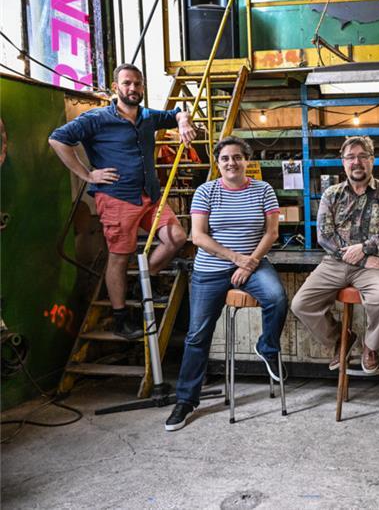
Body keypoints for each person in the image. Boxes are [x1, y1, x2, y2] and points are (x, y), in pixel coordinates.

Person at [49, 63, 194, 340]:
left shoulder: (148, 117)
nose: (133, 88)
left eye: (138, 84)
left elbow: (178, 113)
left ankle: (144, 280)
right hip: (116, 197)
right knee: (119, 257)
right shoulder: (96, 118)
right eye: (127, 83)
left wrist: (184, 121)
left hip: (149, 196)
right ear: (116, 87)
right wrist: (87, 174)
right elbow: (57, 140)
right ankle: (119, 318)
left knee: (176, 236)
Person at [165, 136, 288, 431]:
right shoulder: (206, 192)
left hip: (253, 265)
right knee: (197, 336)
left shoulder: (263, 190)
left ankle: (267, 346)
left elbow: (271, 233)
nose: (231, 163)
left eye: (237, 157)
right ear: (218, 163)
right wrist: (236, 258)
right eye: (225, 158)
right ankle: (186, 400)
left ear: (247, 160)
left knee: (277, 297)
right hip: (211, 269)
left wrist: (251, 262)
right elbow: (198, 236)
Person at [291, 136, 379, 374]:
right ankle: (341, 340)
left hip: (375, 265)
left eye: (363, 156)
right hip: (335, 263)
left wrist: (365, 248)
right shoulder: (331, 194)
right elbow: (324, 235)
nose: (357, 162)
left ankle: (370, 347)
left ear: (372, 160)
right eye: (351, 157)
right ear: (343, 163)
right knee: (301, 304)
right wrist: (361, 257)